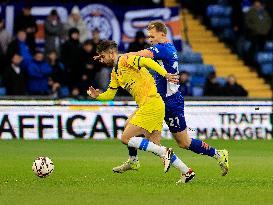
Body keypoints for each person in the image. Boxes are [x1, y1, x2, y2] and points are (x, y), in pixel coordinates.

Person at [114, 21, 229, 179]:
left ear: (162, 34)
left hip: (171, 102)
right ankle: (135, 161)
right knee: (136, 131)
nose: (150, 39)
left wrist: (123, 57)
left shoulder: (163, 48)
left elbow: (143, 55)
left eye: (152, 36)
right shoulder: (167, 48)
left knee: (183, 143)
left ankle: (217, 154)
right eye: (149, 36)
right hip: (157, 101)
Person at [89, 40, 194, 184]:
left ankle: (152, 156)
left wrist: (165, 74)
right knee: (154, 145)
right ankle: (186, 171)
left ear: (112, 53)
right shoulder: (115, 72)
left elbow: (147, 62)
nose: (101, 60)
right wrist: (98, 96)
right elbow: (110, 94)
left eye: (102, 56)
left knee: (126, 138)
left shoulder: (126, 59)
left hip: (151, 103)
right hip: (149, 105)